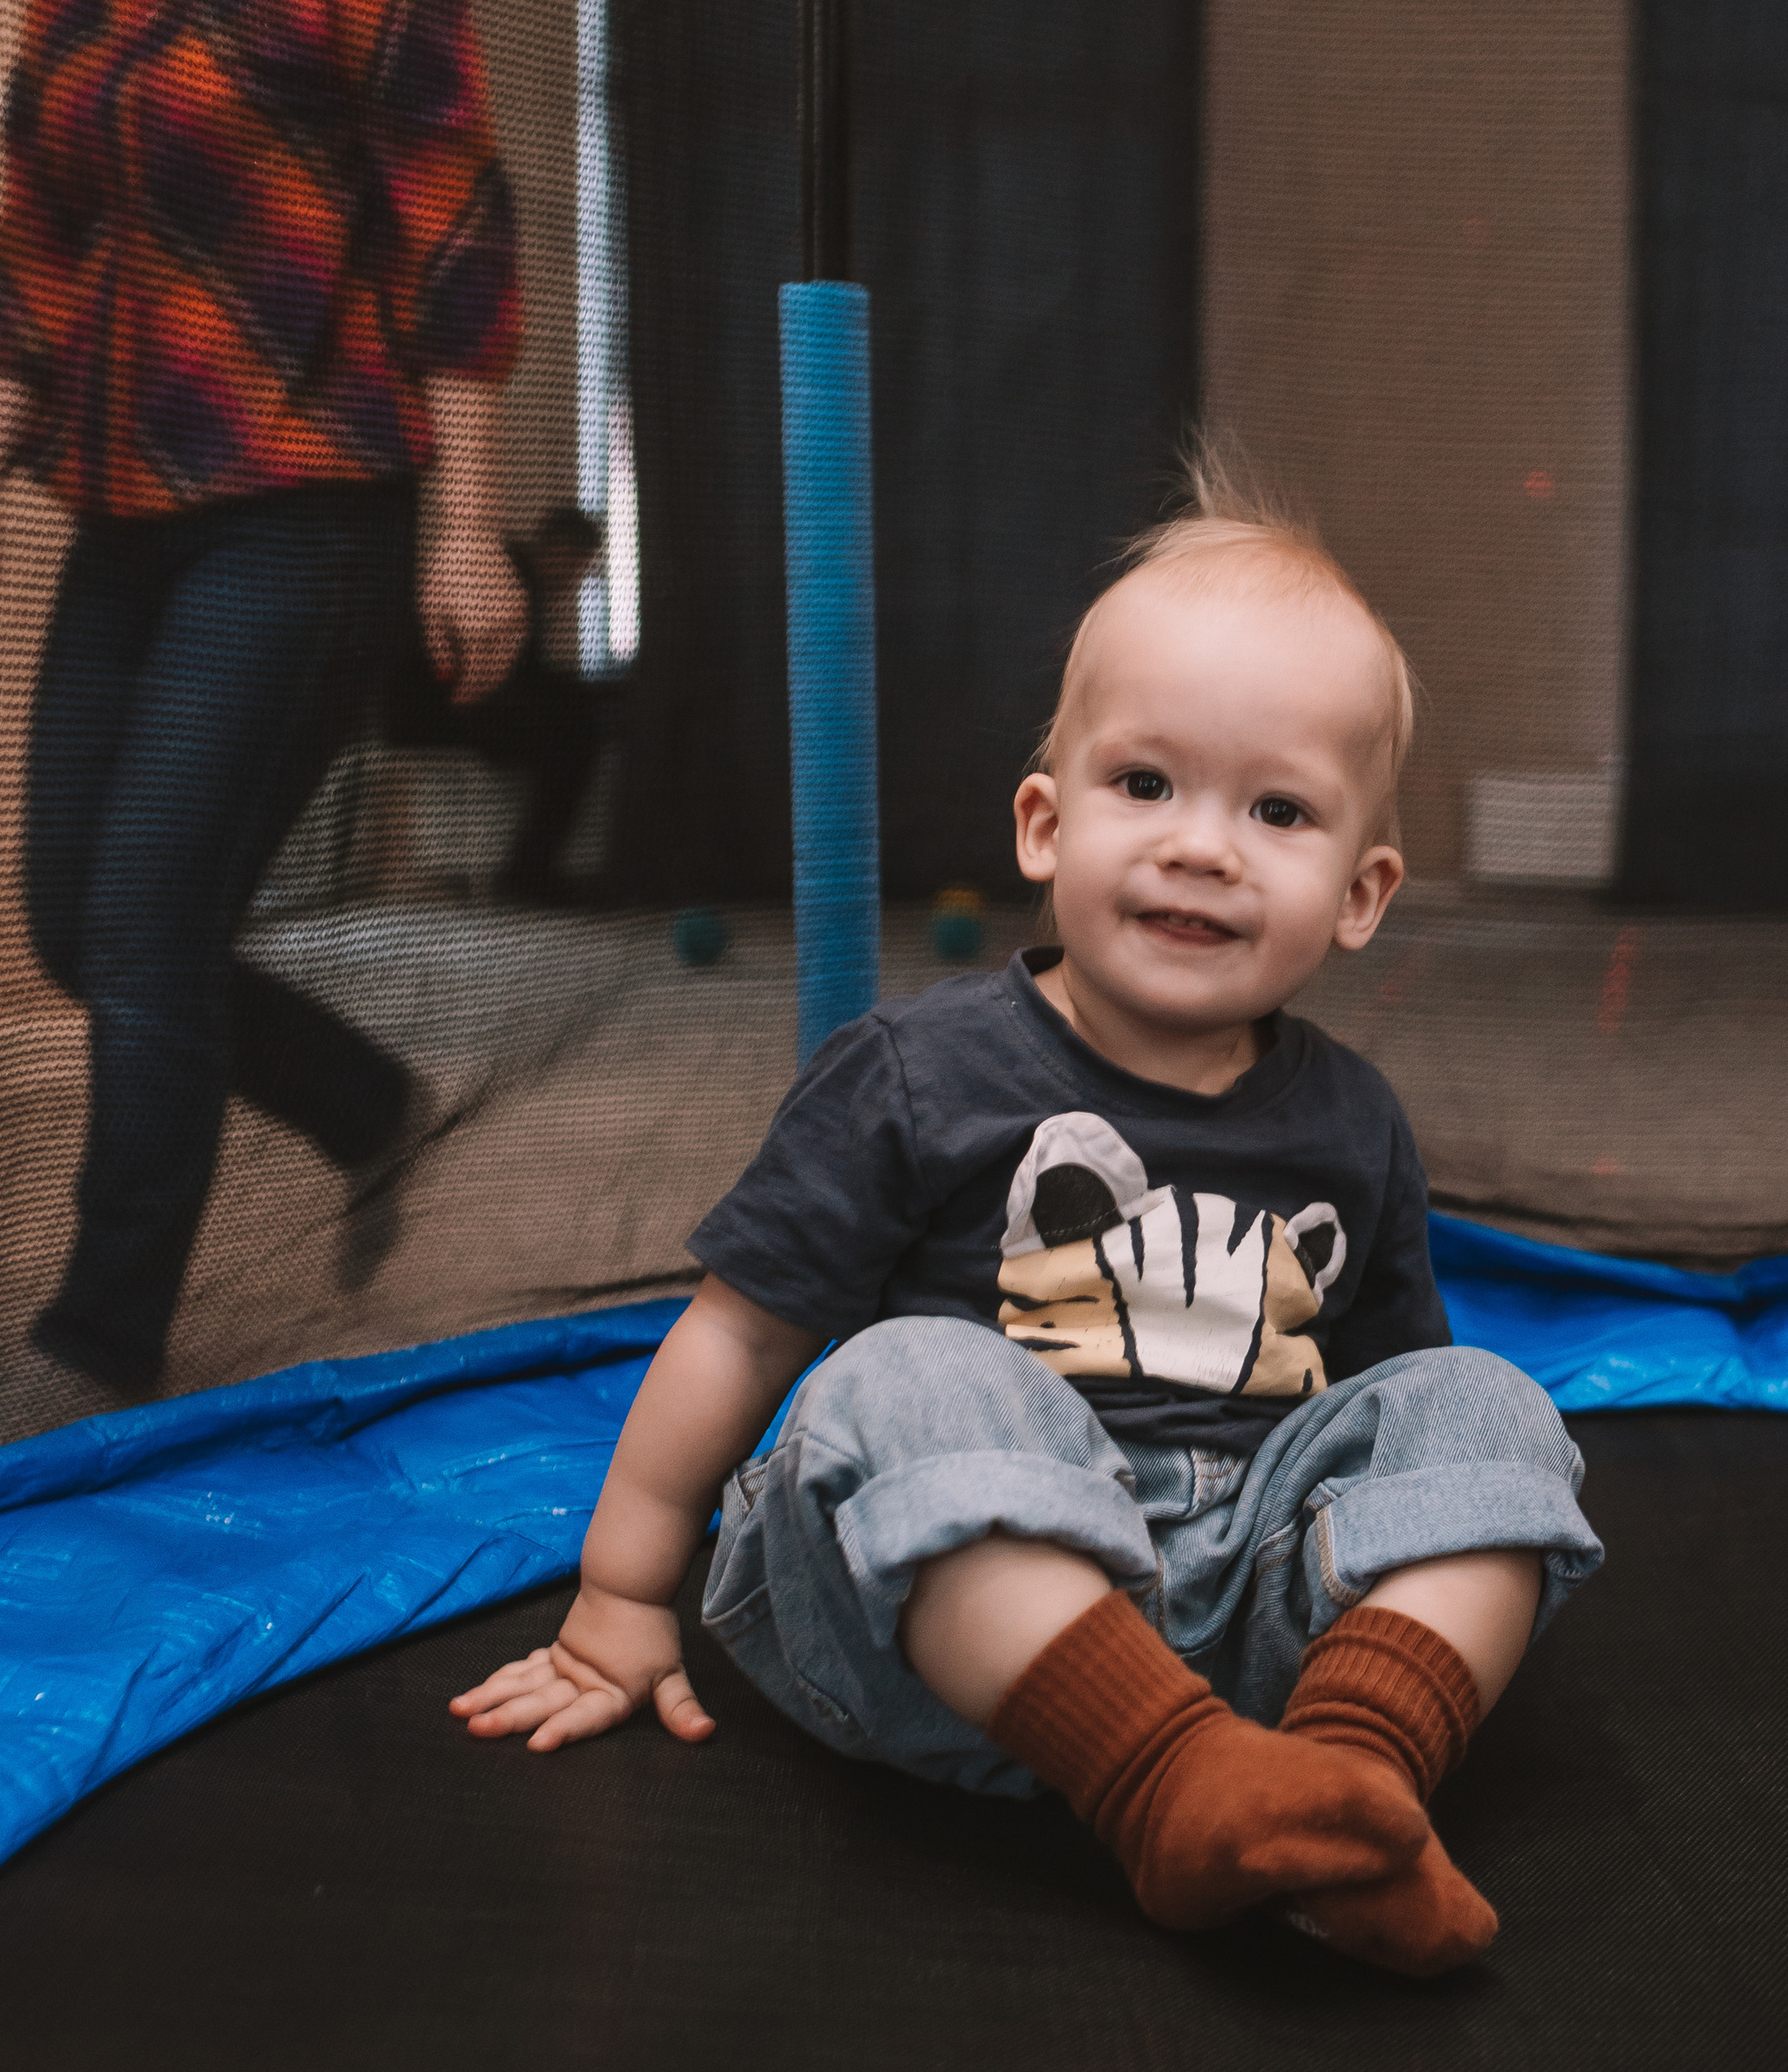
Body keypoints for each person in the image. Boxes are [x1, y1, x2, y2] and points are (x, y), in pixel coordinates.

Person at [452, 454, 1602, 1975]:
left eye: (1277, 810)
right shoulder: (916, 1079)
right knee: (903, 1377)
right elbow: (735, 1342)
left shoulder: (1353, 1123)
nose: (1202, 843)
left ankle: (1344, 1777)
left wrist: (1381, 1539)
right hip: (948, 1628)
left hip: (1241, 1619)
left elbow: (1389, 1422)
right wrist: (617, 1595)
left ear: (1362, 892)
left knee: (1489, 1405)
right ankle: (1162, 1779)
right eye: (1147, 786)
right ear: (1045, 826)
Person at [0, 0, 525, 1411]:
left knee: (141, 923)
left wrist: (466, 529)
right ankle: (372, 1102)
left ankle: (94, 1346)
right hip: (126, 510)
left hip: (313, 502)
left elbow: (450, 223)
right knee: (75, 916)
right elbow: (35, 243)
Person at [384, 500, 617, 903]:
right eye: (580, 568)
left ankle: (529, 869)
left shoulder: (517, 578)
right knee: (574, 740)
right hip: (438, 708)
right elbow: (500, 676)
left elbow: (521, 672)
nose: (578, 582)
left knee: (573, 722)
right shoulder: (508, 580)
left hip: (448, 704)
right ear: (561, 550)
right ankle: (528, 872)